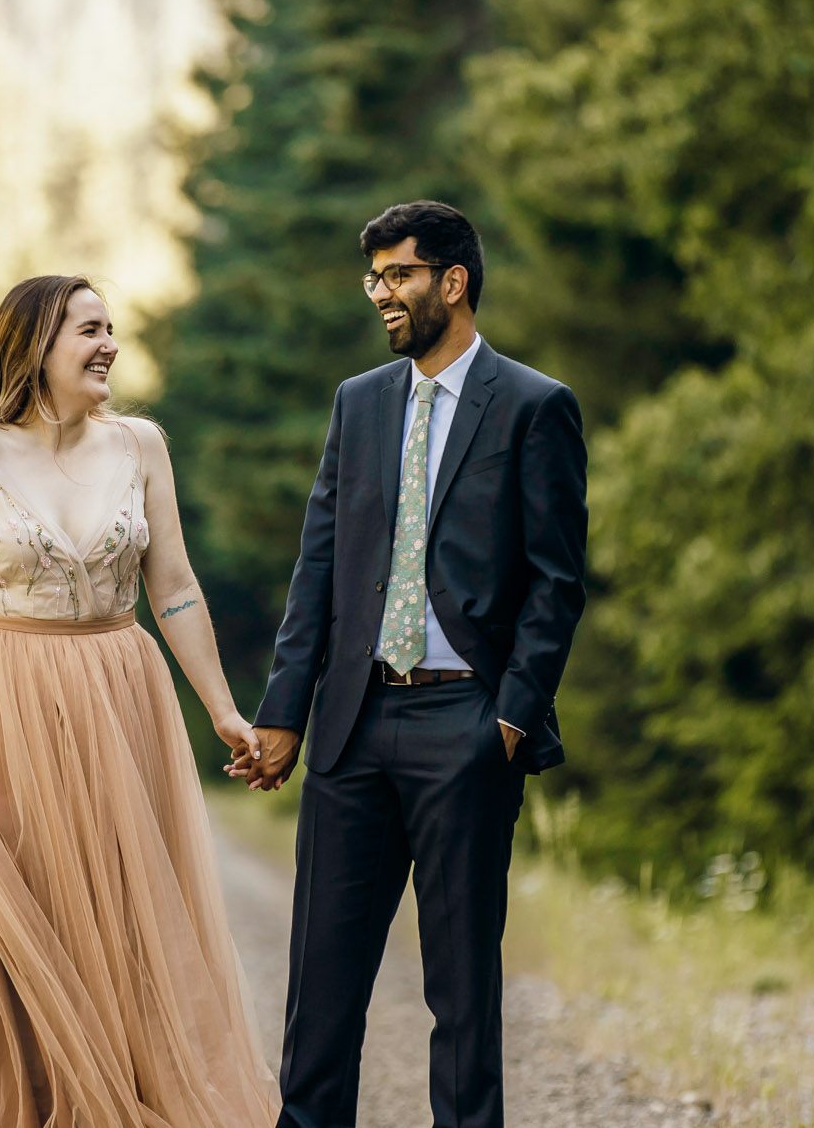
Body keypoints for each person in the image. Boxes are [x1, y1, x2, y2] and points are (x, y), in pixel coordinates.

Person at [231, 201, 588, 1128]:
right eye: (374, 279)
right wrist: (286, 713)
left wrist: (508, 718)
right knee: (321, 992)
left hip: (466, 723)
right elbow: (319, 567)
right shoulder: (359, 402)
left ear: (453, 281)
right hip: (352, 726)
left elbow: (557, 582)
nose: (381, 295)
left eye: (398, 276)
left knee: (462, 994)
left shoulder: (535, 406)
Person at [0, 274, 280, 1128]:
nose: (109, 343)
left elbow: (175, 588)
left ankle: (124, 1101)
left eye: (112, 328)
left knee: (124, 911)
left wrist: (222, 708)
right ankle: (27, 1108)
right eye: (89, 329)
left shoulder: (141, 444)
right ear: (34, 343)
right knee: (16, 913)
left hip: (121, 694)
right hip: (2, 693)